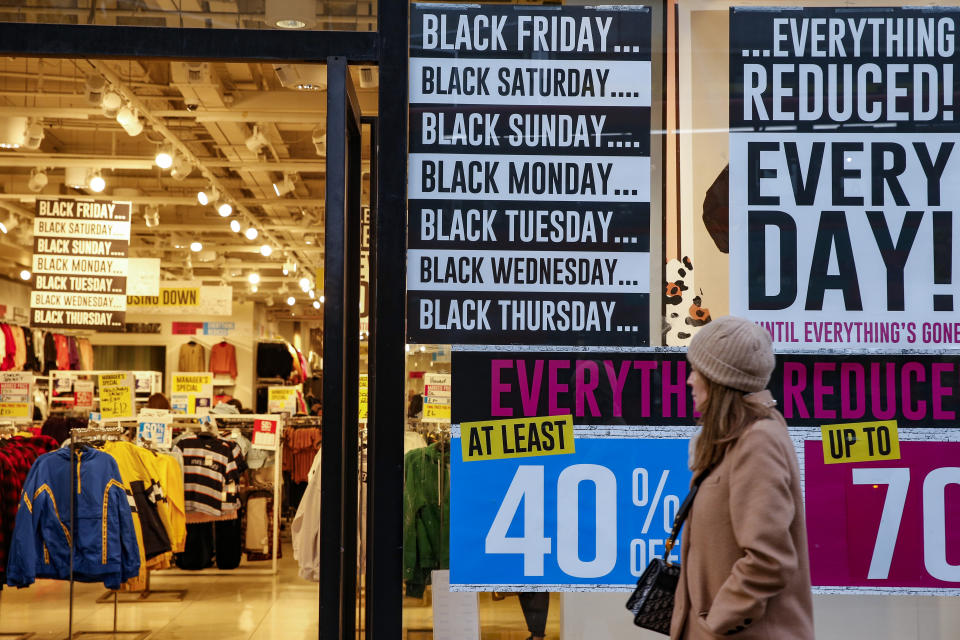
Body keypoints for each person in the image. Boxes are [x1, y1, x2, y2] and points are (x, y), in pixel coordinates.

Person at [670, 316, 814, 639]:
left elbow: (769, 560)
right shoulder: (732, 439)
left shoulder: (758, 441)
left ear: (720, 381)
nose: (690, 381)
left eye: (698, 371)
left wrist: (717, 621)